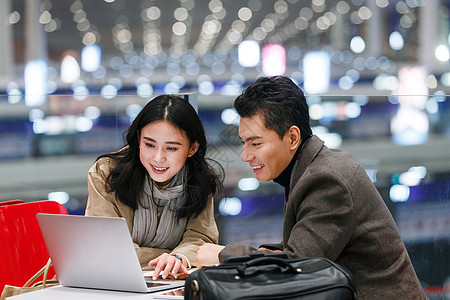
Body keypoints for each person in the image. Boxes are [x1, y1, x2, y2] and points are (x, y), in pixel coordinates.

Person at [196, 76, 427, 299]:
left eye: (255, 143)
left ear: (293, 138)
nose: (246, 155)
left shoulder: (326, 179)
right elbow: (298, 253)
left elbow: (297, 267)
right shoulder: (309, 166)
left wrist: (222, 254)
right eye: (244, 143)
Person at [85, 94, 223, 280]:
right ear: (138, 139)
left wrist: (178, 257)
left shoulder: (199, 177)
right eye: (149, 144)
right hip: (112, 279)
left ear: (192, 149)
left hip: (169, 281)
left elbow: (200, 238)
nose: (158, 158)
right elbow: (107, 248)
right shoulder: (106, 173)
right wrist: (169, 256)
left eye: (171, 148)